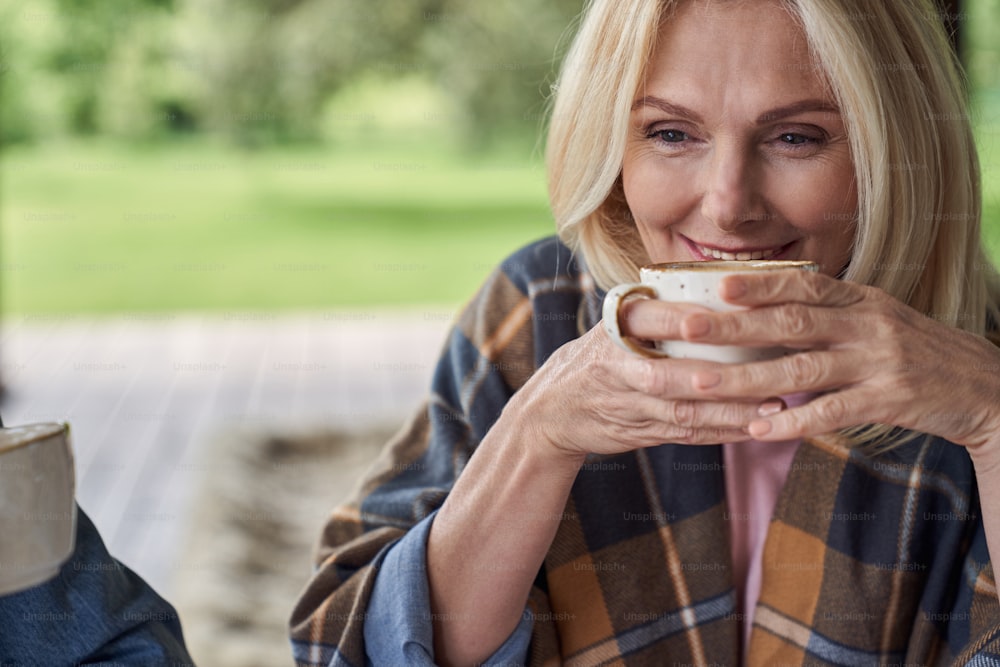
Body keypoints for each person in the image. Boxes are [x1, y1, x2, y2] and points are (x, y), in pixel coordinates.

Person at [289, 0, 1000, 665]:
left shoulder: (975, 364)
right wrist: (539, 437)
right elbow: (349, 640)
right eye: (671, 133)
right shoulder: (538, 307)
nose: (726, 205)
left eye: (795, 137)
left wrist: (993, 419)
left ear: (897, 146)